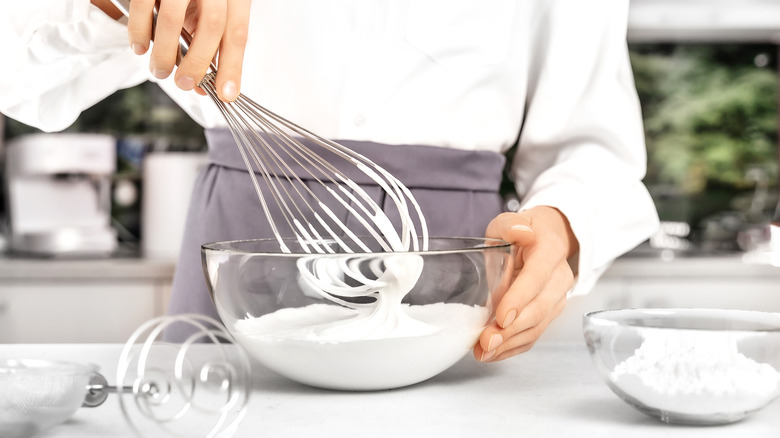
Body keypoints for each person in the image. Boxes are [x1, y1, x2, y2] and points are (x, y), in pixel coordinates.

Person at [0, 0, 659, 362]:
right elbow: (17, 72)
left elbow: (591, 150)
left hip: (452, 281)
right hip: (242, 254)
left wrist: (564, 227)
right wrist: (111, 9)